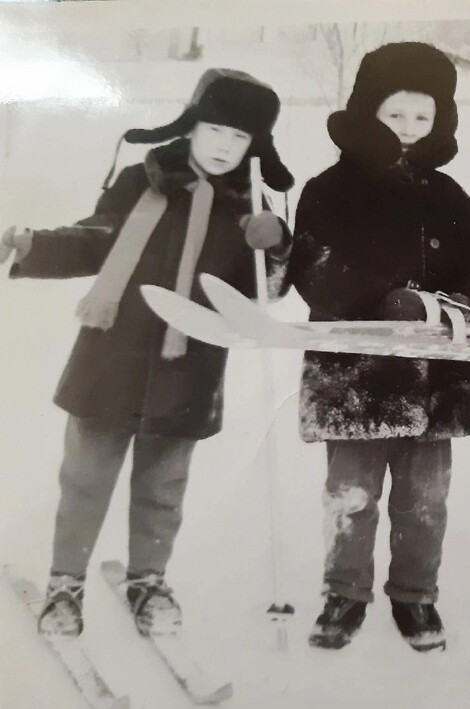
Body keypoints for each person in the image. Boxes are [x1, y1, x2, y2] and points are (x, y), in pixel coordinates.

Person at [0, 68, 294, 638]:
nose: (223, 146)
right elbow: (97, 239)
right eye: (214, 129)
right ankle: (65, 583)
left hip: (190, 367)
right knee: (86, 477)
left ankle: (148, 580)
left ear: (255, 145)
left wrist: (277, 245)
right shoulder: (144, 178)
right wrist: (33, 244)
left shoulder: (255, 203)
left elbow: (266, 292)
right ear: (192, 124)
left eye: (239, 137)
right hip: (112, 356)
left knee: (163, 486)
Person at [284, 42, 470, 653]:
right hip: (352, 374)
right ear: (367, 113)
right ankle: (344, 593)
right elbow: (315, 265)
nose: (408, 130)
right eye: (394, 115)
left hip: (433, 377)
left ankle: (415, 597)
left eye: (422, 118)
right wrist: (387, 299)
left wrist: (459, 305)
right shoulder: (329, 189)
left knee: (424, 499)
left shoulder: (446, 194)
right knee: (351, 494)